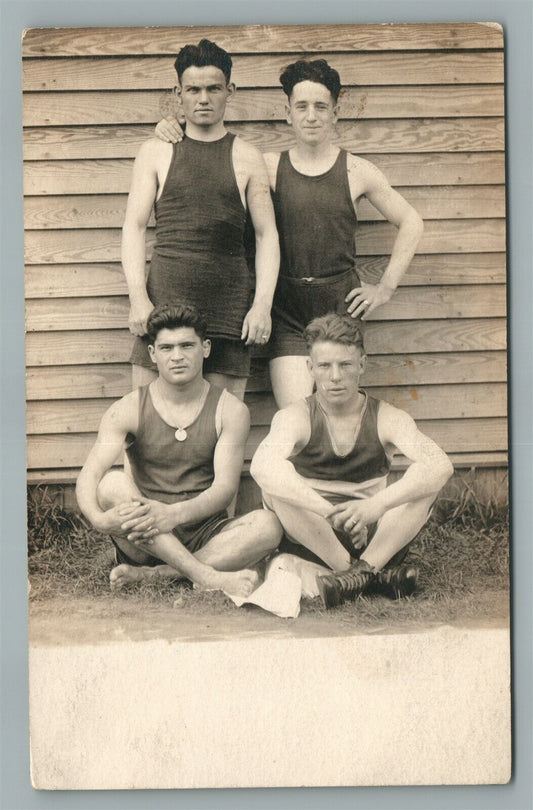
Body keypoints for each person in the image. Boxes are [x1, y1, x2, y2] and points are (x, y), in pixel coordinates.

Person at [155, 57, 424, 407]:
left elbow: (411, 222)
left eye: (321, 107)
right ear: (288, 113)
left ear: (335, 114)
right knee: (297, 413)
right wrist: (169, 128)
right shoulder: (267, 166)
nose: (311, 116)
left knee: (336, 408)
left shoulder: (358, 170)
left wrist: (385, 287)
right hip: (287, 310)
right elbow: (215, 158)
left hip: (338, 303)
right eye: (302, 107)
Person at [76, 302, 282, 597]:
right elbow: (90, 475)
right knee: (111, 483)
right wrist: (98, 518)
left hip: (204, 533)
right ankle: (203, 575)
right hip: (144, 536)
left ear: (206, 348)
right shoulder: (128, 409)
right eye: (167, 348)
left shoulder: (230, 410)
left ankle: (159, 575)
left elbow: (224, 489)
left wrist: (173, 514)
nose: (177, 356)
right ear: (152, 354)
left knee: (268, 525)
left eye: (187, 345)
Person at [250, 313, 453, 609]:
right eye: (324, 366)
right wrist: (331, 512)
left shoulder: (387, 417)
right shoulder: (295, 416)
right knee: (274, 484)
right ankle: (363, 575)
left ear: (362, 365)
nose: (335, 376)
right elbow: (261, 466)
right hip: (317, 535)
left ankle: (360, 572)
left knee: (427, 480)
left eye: (345, 365)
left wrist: (374, 506)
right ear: (310, 368)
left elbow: (440, 465)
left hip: (375, 538)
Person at [123, 39, 279, 400]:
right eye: (193, 89)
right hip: (164, 305)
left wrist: (262, 306)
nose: (203, 98)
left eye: (213, 88)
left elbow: (266, 236)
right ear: (178, 92)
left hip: (227, 311)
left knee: (221, 427)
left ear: (230, 91)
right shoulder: (155, 152)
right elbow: (134, 227)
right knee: (145, 425)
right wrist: (137, 298)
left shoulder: (247, 156)